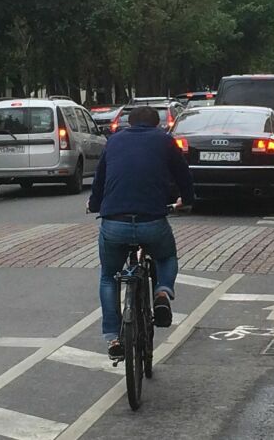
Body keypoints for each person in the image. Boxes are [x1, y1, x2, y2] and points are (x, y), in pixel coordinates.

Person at [88, 105, 195, 358]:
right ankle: (162, 292)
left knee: (108, 277)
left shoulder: (113, 141)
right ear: (157, 124)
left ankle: (113, 338)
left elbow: (99, 180)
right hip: (152, 221)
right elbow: (183, 175)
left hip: (114, 223)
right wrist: (187, 200)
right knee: (166, 256)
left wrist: (94, 204)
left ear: (129, 123)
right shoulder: (165, 141)